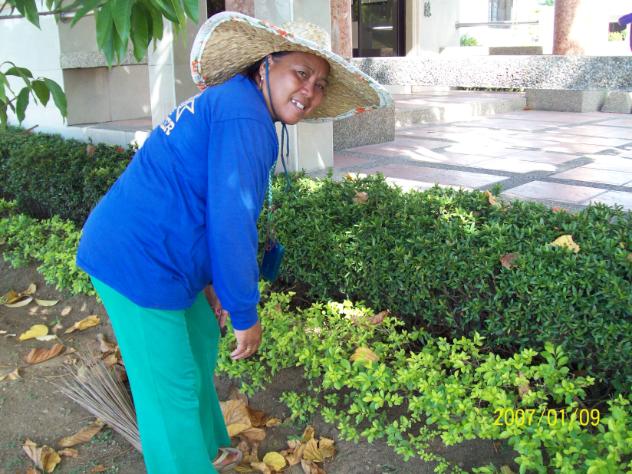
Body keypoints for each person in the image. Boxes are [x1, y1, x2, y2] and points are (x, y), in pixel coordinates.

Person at [76, 11, 390, 474]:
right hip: (137, 259)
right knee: (168, 389)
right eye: (301, 73)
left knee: (201, 341)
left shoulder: (239, 103)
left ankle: (207, 450)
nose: (310, 90)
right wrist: (244, 311)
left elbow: (207, 202)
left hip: (165, 254)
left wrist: (212, 283)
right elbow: (231, 221)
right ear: (266, 64)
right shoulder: (244, 114)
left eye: (320, 84)